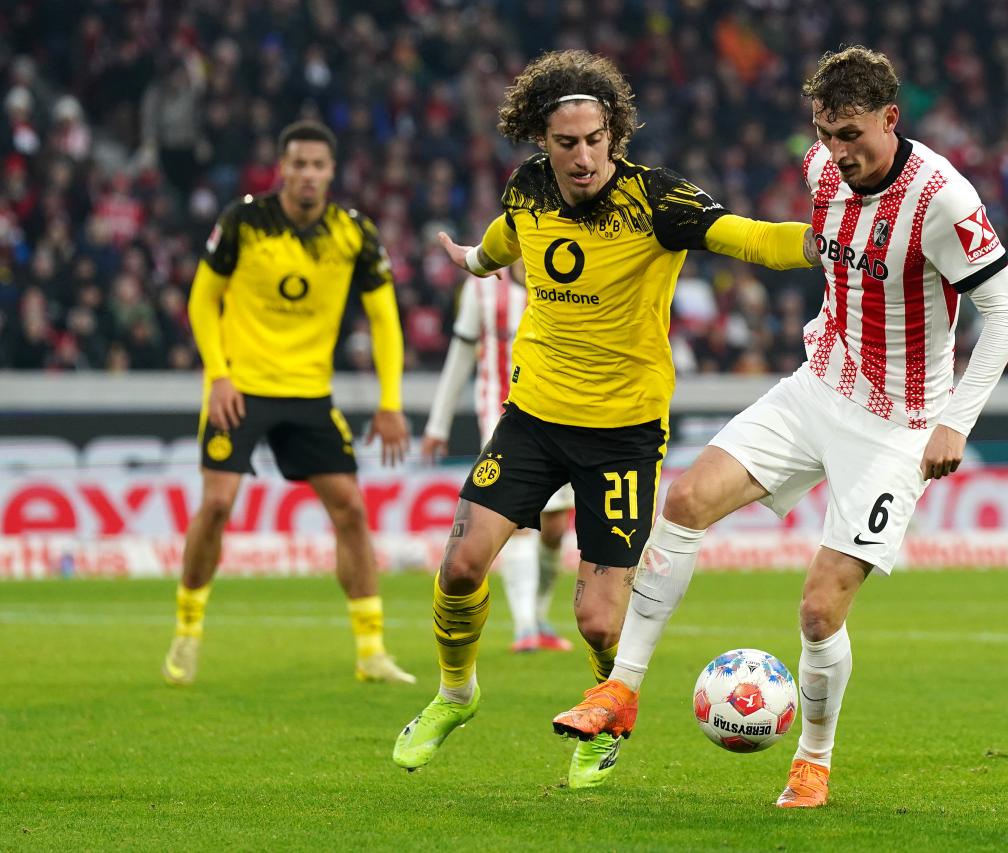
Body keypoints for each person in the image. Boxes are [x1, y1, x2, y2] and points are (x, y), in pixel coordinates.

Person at [551, 45, 1008, 808]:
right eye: (825, 134)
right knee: (684, 501)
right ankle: (621, 690)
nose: (838, 152)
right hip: (819, 385)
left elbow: (1006, 312)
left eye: (852, 135)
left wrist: (954, 422)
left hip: (897, 425)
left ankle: (812, 759)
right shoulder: (820, 170)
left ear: (891, 118)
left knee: (817, 608)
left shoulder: (942, 199)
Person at [392, 49, 819, 789]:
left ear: (614, 133)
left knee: (597, 620)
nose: (584, 157)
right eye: (567, 143)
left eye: (596, 140)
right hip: (533, 418)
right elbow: (505, 239)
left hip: (623, 434)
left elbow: (749, 236)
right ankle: (455, 696)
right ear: (542, 141)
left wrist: (826, 243)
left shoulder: (658, 200)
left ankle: (608, 715)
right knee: (459, 567)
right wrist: (473, 261)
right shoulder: (528, 189)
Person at [162, 120, 416, 687]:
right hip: (241, 388)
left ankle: (371, 650)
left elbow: (384, 319)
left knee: (350, 509)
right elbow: (202, 300)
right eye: (298, 164)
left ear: (331, 172)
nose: (307, 174)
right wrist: (218, 376)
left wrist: (391, 402)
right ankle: (187, 630)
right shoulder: (244, 221)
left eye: (317, 165)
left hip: (308, 393)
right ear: (282, 168)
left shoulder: (354, 232)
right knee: (217, 505)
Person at [422, 262, 575, 654]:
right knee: (518, 519)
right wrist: (438, 423)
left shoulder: (568, 275)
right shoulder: (483, 288)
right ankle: (525, 627)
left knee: (555, 527)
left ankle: (538, 616)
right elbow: (461, 352)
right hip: (502, 417)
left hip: (561, 414)